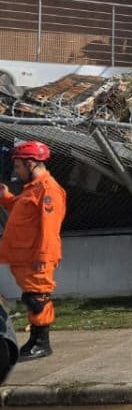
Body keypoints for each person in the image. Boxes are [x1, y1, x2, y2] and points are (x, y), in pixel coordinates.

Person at [0, 140, 66, 361]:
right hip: (21, 254)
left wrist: (43, 256)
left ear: (31, 164)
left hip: (35, 256)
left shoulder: (48, 190)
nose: (16, 172)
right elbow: (22, 210)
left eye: (18, 167)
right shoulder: (32, 189)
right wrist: (6, 198)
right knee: (32, 296)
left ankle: (41, 343)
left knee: (37, 298)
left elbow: (50, 226)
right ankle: (35, 341)